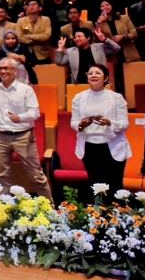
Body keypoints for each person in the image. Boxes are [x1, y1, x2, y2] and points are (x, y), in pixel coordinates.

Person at [0, 58, 53, 202]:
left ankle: (49, 208)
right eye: (1, 68)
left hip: (23, 136)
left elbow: (35, 112)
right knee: (2, 176)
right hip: (0, 137)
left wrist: (21, 117)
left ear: (15, 71)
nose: (3, 71)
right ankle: (4, 209)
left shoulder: (25, 90)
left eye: (7, 68)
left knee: (36, 175)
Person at [70, 64, 131, 200]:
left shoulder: (117, 98)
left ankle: (116, 217)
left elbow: (124, 124)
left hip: (112, 147)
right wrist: (81, 125)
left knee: (114, 186)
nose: (93, 75)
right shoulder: (79, 98)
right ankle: (98, 217)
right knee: (96, 186)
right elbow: (73, 122)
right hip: (90, 147)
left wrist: (109, 123)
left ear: (106, 78)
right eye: (90, 73)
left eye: (98, 73)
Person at [55, 28, 120, 84]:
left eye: (79, 36)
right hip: (79, 83)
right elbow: (59, 62)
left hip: (99, 82)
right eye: (75, 37)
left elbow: (117, 48)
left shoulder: (99, 47)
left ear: (88, 38)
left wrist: (104, 39)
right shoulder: (71, 51)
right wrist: (60, 48)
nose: (76, 39)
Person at [17, 0, 53, 64]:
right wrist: (35, 40)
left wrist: (28, 36)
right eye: (29, 5)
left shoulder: (46, 19)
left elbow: (46, 36)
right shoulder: (20, 21)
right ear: (26, 8)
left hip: (42, 54)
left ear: (40, 8)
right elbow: (19, 38)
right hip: (26, 53)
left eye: (34, 4)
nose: (31, 6)